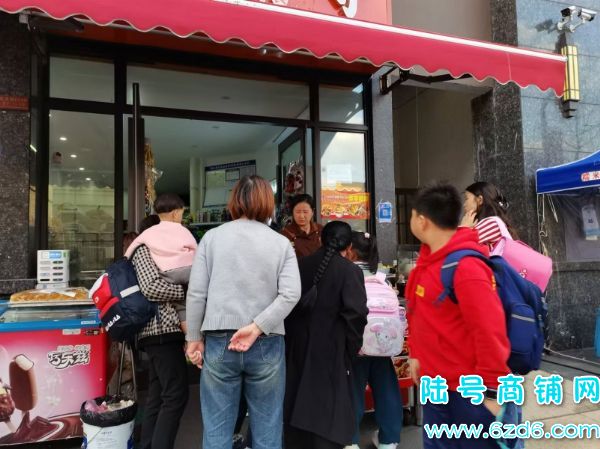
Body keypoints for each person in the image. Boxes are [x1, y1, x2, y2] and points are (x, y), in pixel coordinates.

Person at [185, 175, 301, 449]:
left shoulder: (212, 238)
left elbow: (197, 293)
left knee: (216, 430)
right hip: (266, 341)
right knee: (268, 430)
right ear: (268, 203)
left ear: (234, 201)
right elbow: (291, 294)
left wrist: (193, 339)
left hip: (219, 340)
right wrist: (258, 327)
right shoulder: (281, 243)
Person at [406, 182, 510, 449]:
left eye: (412, 215)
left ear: (422, 221)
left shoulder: (466, 267)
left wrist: (492, 390)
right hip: (435, 388)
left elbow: (490, 330)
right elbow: (419, 314)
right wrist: (416, 354)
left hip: (469, 393)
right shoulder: (427, 263)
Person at [284, 221, 368, 449]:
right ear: (349, 247)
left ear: (321, 239)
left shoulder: (300, 266)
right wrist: (351, 349)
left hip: (298, 346)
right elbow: (356, 314)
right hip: (333, 347)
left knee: (297, 402)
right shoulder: (350, 271)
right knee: (328, 410)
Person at [130, 214, 188, 449]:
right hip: (160, 331)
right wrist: (186, 291)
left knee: (158, 394)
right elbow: (151, 287)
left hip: (160, 332)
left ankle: (148, 444)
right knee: (175, 395)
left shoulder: (155, 251)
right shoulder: (144, 249)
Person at [344, 232, 403, 449]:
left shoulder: (346, 273)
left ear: (350, 250)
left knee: (352, 392)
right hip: (383, 346)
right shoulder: (381, 276)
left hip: (355, 346)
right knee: (387, 391)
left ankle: (350, 441)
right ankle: (389, 440)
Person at [126, 194, 197, 285]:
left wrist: (125, 260)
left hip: (166, 274)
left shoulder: (148, 232)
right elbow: (195, 249)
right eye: (182, 214)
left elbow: (132, 247)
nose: (182, 217)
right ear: (175, 214)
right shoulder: (183, 230)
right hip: (188, 271)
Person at [461, 181, 518, 246]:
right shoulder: (492, 223)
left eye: (466, 198)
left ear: (480, 200)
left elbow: (459, 245)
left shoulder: (491, 224)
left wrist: (463, 227)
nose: (464, 204)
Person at [281, 194, 323, 258]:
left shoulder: (321, 230)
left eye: (305, 212)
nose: (301, 216)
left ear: (312, 212)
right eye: (298, 212)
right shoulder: (285, 234)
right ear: (292, 212)